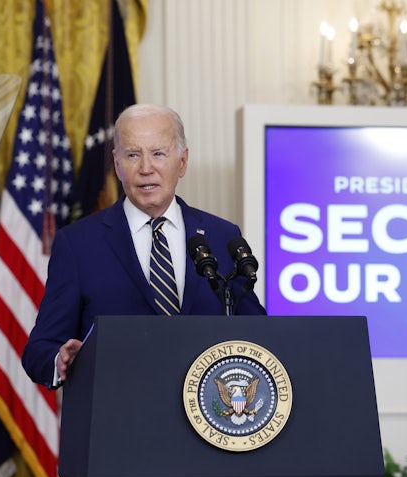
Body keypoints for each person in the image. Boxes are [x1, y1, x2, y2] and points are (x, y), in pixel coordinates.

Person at [21, 104, 266, 389]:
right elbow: (39, 350)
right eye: (133, 155)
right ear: (117, 163)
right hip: (118, 420)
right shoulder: (77, 244)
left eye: (158, 154)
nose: (145, 168)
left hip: (209, 418)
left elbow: (259, 334)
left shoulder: (221, 236)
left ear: (183, 162)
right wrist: (60, 358)